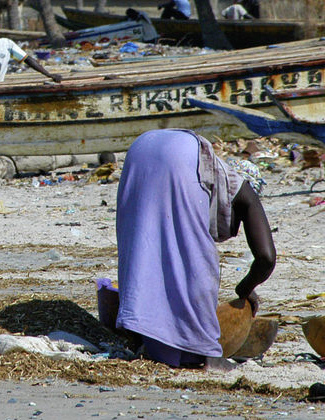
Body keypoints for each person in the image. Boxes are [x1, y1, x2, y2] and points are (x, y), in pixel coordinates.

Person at [115, 129, 275, 369]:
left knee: (142, 248)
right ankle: (204, 350)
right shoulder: (244, 192)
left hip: (140, 148)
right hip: (181, 152)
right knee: (197, 262)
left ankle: (145, 334)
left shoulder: (212, 177)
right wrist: (245, 289)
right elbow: (266, 257)